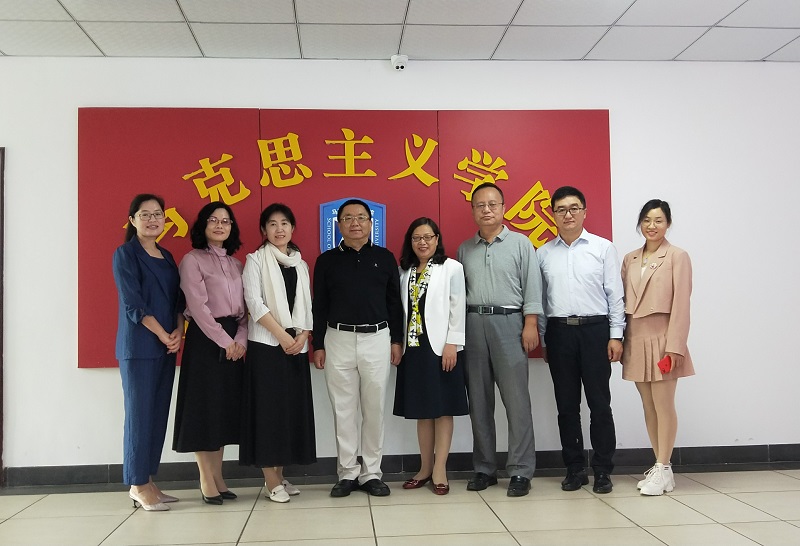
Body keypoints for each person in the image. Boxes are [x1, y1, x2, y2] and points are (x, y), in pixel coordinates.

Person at [312, 198, 404, 498]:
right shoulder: (326, 260)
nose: (355, 223)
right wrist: (317, 344)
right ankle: (348, 472)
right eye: (348, 218)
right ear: (338, 224)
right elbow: (319, 305)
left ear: (370, 223)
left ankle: (372, 473)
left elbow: (395, 303)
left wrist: (397, 340)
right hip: (337, 338)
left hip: (377, 338)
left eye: (361, 217)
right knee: (343, 410)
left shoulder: (385, 258)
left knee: (374, 409)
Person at [457, 182, 543, 498]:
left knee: (517, 402)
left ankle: (520, 470)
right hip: (473, 325)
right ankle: (484, 468)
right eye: (480, 205)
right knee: (479, 402)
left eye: (492, 204)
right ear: (473, 211)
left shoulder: (521, 243)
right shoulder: (465, 249)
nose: (487, 210)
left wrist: (531, 323)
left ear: (503, 208)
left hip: (511, 324)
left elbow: (532, 286)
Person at [537, 185, 625, 494]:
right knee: (566, 406)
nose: (568, 214)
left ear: (584, 212)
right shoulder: (543, 254)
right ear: (553, 215)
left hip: (595, 331)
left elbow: (615, 295)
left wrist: (616, 336)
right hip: (559, 333)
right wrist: (545, 341)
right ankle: (574, 469)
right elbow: (542, 301)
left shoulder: (603, 248)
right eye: (561, 209)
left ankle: (602, 470)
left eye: (574, 208)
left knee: (600, 404)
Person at [112, 193, 184, 511]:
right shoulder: (125, 254)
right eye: (145, 214)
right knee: (139, 416)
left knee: (157, 415)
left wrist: (178, 331)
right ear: (133, 220)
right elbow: (133, 304)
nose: (153, 219)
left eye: (158, 214)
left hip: (166, 346)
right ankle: (137, 483)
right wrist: (163, 334)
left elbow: (178, 301)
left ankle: (149, 480)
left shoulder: (167, 256)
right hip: (139, 347)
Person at [240, 203, 316, 503]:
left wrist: (303, 335)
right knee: (268, 414)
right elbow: (254, 304)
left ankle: (280, 474)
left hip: (296, 347)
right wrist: (283, 336)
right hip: (267, 347)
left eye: (284, 223)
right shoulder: (255, 260)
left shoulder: (299, 263)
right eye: (272, 224)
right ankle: (270, 480)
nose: (279, 229)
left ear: (293, 228)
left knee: (288, 413)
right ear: (264, 230)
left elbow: (307, 306)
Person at [172, 202, 247, 505]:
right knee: (204, 409)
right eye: (213, 220)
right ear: (203, 226)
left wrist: (240, 340)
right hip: (205, 341)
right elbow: (197, 307)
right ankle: (206, 479)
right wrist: (224, 341)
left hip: (234, 340)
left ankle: (219, 477)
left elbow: (245, 312)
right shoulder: (192, 260)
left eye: (225, 221)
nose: (219, 225)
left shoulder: (237, 264)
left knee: (222, 410)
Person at [621, 199, 694, 496]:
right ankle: (661, 467)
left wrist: (675, 346)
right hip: (636, 337)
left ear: (668, 224)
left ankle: (663, 466)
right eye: (647, 220)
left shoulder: (677, 256)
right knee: (648, 405)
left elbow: (682, 304)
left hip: (663, 337)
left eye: (659, 220)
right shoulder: (630, 258)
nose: (652, 226)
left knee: (664, 405)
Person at [394, 217, 468, 496]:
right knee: (422, 411)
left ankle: (440, 469)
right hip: (413, 349)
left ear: (437, 239)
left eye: (428, 237)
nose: (422, 242)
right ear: (410, 242)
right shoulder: (405, 271)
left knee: (443, 409)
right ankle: (424, 468)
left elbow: (457, 306)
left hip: (441, 348)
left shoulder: (451, 268)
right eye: (416, 238)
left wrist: (452, 343)